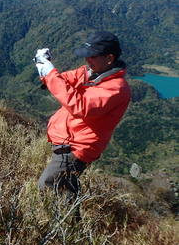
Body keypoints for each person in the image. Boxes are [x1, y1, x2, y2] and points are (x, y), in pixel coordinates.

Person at [34, 31, 131, 196]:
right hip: (69, 140)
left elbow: (80, 106)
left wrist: (50, 73)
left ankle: (62, 221)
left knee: (48, 185)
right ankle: (71, 220)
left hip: (77, 147)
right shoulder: (92, 73)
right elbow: (63, 80)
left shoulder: (116, 88)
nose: (88, 59)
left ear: (109, 58)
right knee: (65, 189)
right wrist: (45, 69)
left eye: (93, 56)